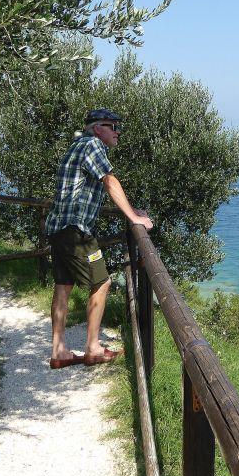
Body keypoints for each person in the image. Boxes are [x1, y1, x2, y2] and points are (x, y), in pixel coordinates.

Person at [45, 108, 154, 369]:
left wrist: (132, 210)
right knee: (102, 283)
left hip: (58, 229)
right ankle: (93, 348)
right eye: (112, 126)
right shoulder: (93, 145)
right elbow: (109, 181)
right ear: (97, 128)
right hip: (76, 231)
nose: (117, 132)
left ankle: (58, 351)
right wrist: (134, 218)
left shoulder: (79, 145)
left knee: (63, 286)